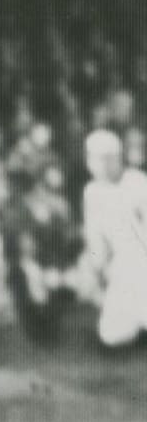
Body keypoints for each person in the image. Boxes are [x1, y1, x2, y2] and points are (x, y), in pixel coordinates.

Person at [78, 129, 147, 349]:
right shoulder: (91, 192)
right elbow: (96, 240)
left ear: (118, 158)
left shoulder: (138, 183)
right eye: (96, 158)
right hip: (120, 268)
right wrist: (95, 269)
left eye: (109, 158)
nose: (103, 164)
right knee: (112, 335)